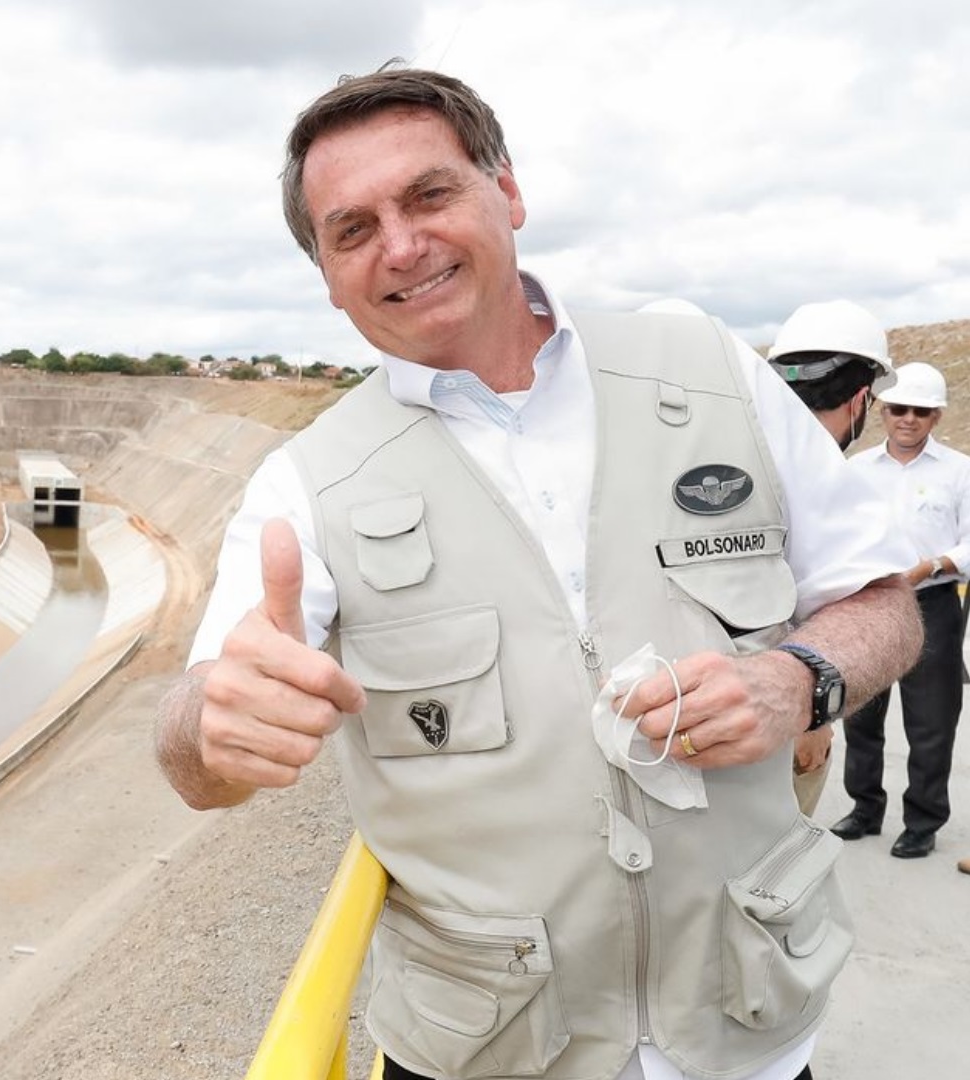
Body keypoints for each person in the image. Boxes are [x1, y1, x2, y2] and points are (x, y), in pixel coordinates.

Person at [154, 66, 921, 1080]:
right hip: (489, 1053)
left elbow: (884, 605)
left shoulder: (710, 369)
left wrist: (798, 679)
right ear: (327, 273)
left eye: (430, 194)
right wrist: (213, 726)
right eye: (353, 229)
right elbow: (195, 737)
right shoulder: (304, 486)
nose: (402, 245)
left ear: (505, 192)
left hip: (750, 1030)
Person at [762, 299, 901, 814]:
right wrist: (812, 717)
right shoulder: (826, 480)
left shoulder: (731, 451)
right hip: (782, 714)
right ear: (862, 399)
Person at [831, 361, 970, 859]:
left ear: (935, 418)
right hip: (867, 603)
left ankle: (923, 821)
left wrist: (934, 565)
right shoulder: (854, 471)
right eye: (897, 409)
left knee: (931, 722)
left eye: (920, 411)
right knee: (861, 716)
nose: (907, 418)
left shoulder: (960, 471)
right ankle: (865, 810)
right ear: (882, 412)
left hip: (931, 604)